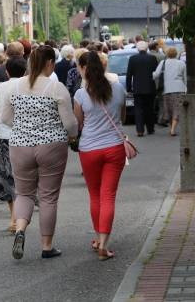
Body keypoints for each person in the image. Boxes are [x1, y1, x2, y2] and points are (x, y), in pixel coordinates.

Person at [0, 45, 78, 260]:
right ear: (50, 63)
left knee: (24, 193)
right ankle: (46, 245)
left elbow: (5, 119)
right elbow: (70, 124)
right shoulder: (56, 88)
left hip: (20, 145)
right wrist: (72, 134)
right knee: (48, 197)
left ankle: (20, 229)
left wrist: (26, 126)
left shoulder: (14, 87)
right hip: (52, 145)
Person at [74, 51, 127, 261]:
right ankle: (104, 243)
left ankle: (97, 238)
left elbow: (79, 122)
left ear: (83, 68)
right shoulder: (117, 88)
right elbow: (121, 116)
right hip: (114, 147)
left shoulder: (80, 94)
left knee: (95, 195)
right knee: (108, 196)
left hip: (89, 149)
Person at [0, 57, 27, 233]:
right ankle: (17, 218)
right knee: (22, 176)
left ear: (7, 71)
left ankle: (13, 218)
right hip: (25, 136)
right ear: (25, 71)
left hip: (3, 136)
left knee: (6, 176)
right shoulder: (29, 87)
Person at [126, 41, 159, 137]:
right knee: (149, 109)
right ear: (146, 48)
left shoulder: (133, 59)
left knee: (138, 109)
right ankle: (150, 128)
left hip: (137, 88)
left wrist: (129, 88)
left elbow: (129, 74)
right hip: (150, 87)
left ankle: (140, 130)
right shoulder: (152, 58)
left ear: (137, 48)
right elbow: (155, 73)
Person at [153, 47, 187, 136]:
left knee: (169, 110)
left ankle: (172, 129)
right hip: (179, 89)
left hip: (167, 90)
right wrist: (186, 89)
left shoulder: (163, 62)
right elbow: (185, 78)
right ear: (176, 54)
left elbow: (156, 74)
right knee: (177, 109)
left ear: (167, 54)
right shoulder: (181, 63)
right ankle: (172, 129)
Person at [0, 42, 24, 118]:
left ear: (6, 53)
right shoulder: (28, 70)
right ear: (22, 54)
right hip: (22, 117)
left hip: (1, 116)